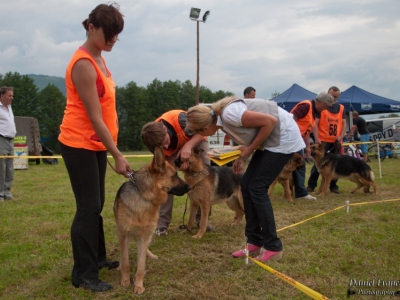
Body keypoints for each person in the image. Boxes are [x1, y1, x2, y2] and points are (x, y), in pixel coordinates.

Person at [58, 3, 132, 292]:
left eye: (117, 35)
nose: (113, 40)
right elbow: (94, 117)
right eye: (109, 34)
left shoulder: (100, 58)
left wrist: (109, 148)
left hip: (96, 144)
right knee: (87, 207)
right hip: (78, 144)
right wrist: (117, 153)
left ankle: (98, 259)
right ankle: (83, 274)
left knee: (96, 204)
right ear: (91, 27)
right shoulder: (83, 65)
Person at [186, 96, 305, 262]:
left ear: (205, 127)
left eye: (199, 132)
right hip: (271, 140)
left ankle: (273, 246)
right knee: (246, 184)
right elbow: (251, 134)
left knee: (257, 188)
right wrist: (241, 156)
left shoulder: (229, 115)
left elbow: (269, 122)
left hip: (283, 138)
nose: (200, 136)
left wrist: (249, 150)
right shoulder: (223, 120)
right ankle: (254, 241)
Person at [141, 110, 210, 236]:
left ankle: (202, 220)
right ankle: (162, 224)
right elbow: (166, 157)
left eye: (165, 142)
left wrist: (188, 147)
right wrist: (179, 163)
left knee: (205, 175)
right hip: (176, 150)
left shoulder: (182, 120)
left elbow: (202, 132)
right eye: (161, 146)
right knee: (166, 182)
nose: (165, 147)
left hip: (196, 140)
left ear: (164, 129)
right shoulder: (151, 140)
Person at [291, 92, 334, 201]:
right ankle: (299, 193)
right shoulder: (306, 106)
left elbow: (306, 130)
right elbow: (290, 120)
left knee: (299, 165)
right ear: (323, 103)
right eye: (326, 107)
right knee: (295, 165)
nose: (325, 110)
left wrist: (308, 147)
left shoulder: (313, 112)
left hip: (297, 141)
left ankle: (299, 192)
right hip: (290, 140)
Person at [307, 86, 346, 194]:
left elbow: (343, 123)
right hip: (323, 141)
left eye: (337, 97)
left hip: (336, 141)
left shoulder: (341, 108)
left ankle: (333, 186)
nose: (334, 99)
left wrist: (341, 136)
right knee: (317, 164)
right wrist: (316, 138)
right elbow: (315, 123)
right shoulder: (322, 107)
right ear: (328, 94)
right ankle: (311, 186)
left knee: (335, 166)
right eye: (333, 96)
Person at [0, 86, 16, 202]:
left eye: (12, 95)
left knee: (9, 168)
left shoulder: (9, 108)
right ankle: (0, 194)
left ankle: (7, 191)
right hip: (1, 140)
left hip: (11, 141)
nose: (12, 98)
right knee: (1, 168)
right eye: (9, 95)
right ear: (2, 96)